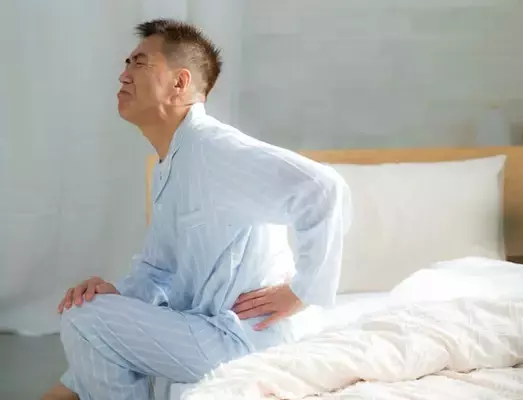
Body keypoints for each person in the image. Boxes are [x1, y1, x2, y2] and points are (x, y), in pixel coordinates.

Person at [42, 18, 351, 400]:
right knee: (89, 312)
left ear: (180, 83)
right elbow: (158, 268)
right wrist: (114, 294)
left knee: (84, 319)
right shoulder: (170, 165)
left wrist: (303, 291)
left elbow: (322, 188)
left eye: (140, 62)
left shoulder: (214, 148)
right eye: (126, 63)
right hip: (209, 331)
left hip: (246, 338)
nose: (123, 74)